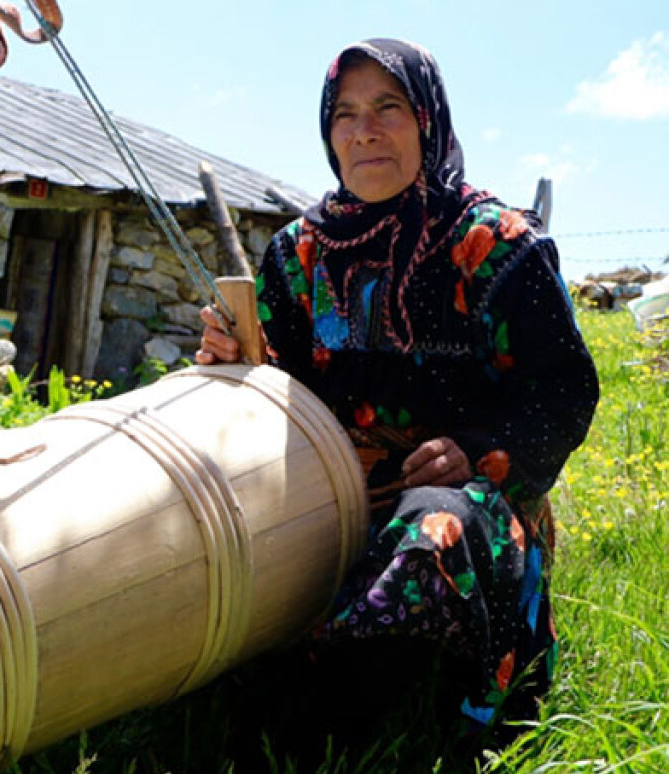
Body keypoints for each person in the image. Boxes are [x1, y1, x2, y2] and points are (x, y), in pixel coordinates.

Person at [197, 38, 599, 734]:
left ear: (428, 119)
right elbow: (270, 392)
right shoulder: (298, 255)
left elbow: (563, 393)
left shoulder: (497, 246)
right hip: (326, 499)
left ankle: (349, 722)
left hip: (463, 507)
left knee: (431, 525)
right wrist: (228, 361)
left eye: (388, 107)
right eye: (345, 114)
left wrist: (477, 449)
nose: (364, 130)